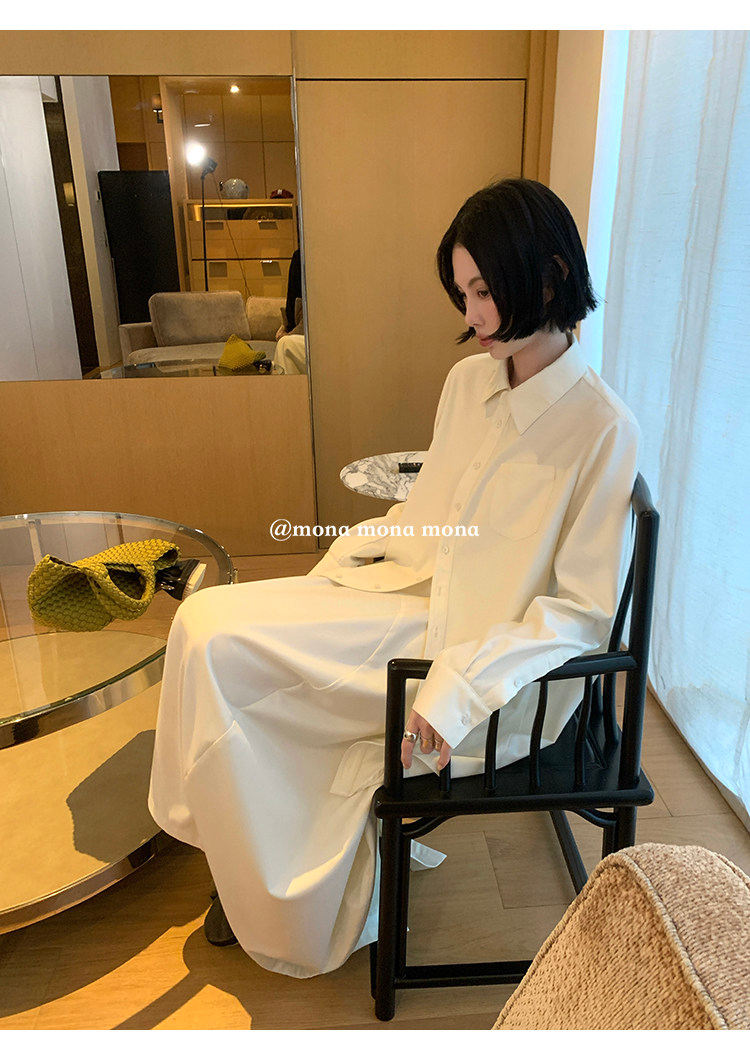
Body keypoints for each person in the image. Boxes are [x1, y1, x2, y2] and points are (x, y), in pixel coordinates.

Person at [148, 178, 640, 979]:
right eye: (463, 293)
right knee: (203, 622)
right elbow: (430, 512)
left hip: (477, 663)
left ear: (551, 275)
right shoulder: (469, 384)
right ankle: (246, 851)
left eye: (485, 291)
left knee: (221, 648)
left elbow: (580, 613)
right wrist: (353, 556)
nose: (472, 315)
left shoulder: (603, 428)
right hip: (409, 600)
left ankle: (272, 881)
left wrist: (461, 687)